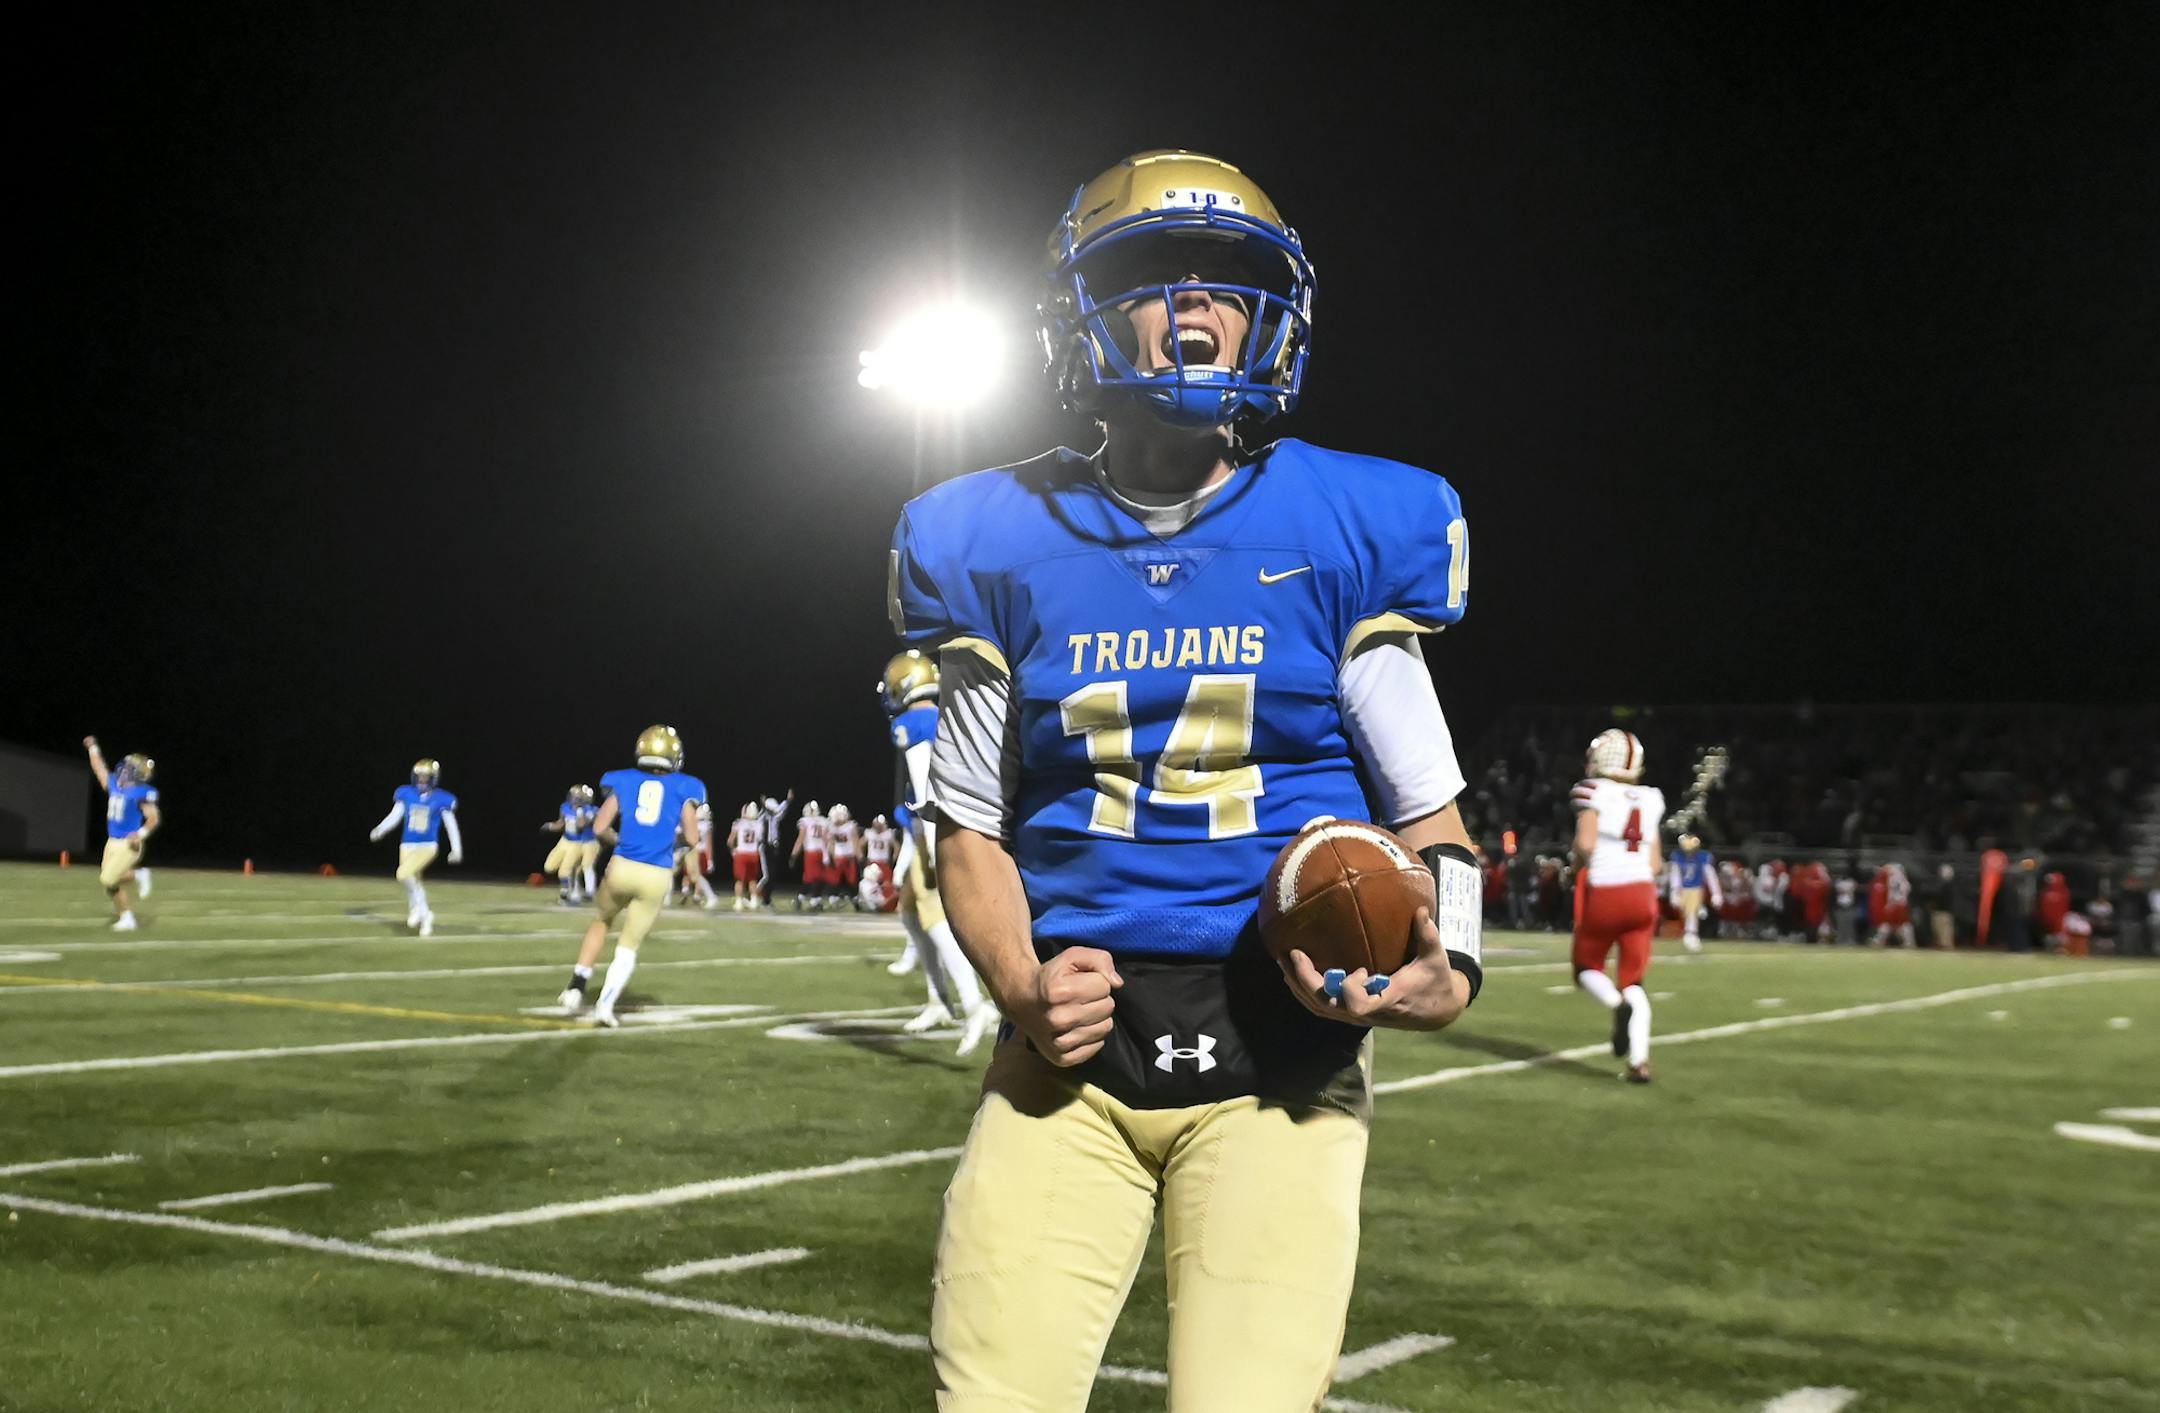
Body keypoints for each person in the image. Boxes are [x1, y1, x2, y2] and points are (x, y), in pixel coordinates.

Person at [889, 150, 1483, 1410]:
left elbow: (1434, 817)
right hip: (1072, 1053)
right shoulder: (990, 536)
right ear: (1083, 312)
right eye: (1161, 275)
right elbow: (970, 826)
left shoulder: (1345, 522)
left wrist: (1457, 960)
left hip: (1285, 1056)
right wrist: (1017, 986)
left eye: (1233, 283)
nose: (1204, 305)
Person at [879, 648, 998, 1050]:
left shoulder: (913, 723)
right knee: (911, 913)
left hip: (934, 830)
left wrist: (929, 848)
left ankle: (974, 1005)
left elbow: (926, 787)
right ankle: (939, 1001)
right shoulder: (944, 717)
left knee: (936, 922)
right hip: (931, 830)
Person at [555, 725, 705, 1027]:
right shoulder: (686, 785)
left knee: (601, 921)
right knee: (629, 943)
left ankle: (575, 988)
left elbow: (599, 828)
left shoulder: (622, 779)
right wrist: (667, 843)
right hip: (656, 874)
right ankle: (605, 1004)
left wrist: (621, 841)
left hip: (622, 866)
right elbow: (692, 837)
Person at [1571, 730, 1665, 1083]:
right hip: (1643, 893)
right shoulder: (1651, 798)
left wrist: (1576, 867)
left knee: (1587, 967)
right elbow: (1655, 863)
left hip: (1607, 890)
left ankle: (1616, 1006)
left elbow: (1586, 842)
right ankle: (1639, 1062)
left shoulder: (1593, 791)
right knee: (1634, 981)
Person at [368, 759, 461, 937]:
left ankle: (425, 915)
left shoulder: (442, 798)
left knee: (402, 874)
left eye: (426, 777)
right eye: (419, 777)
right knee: (413, 882)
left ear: (433, 778)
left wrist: (456, 849)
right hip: (407, 844)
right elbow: (395, 815)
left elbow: (451, 825)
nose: (422, 780)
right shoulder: (406, 793)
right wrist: (381, 828)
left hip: (427, 846)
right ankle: (416, 910)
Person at [82, 736, 159, 930]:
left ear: (137, 774)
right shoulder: (115, 785)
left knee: (108, 878)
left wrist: (140, 834)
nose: (124, 770)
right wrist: (93, 748)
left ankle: (139, 875)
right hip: (112, 841)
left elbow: (153, 818)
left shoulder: (141, 793)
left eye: (129, 768)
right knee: (110, 884)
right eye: (125, 766)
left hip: (129, 843)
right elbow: (99, 769)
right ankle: (127, 918)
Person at [539, 784, 599, 904]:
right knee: (549, 867)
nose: (573, 799)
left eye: (576, 797)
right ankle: (572, 892)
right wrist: (550, 826)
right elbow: (561, 824)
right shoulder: (565, 807)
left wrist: (580, 811)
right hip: (564, 840)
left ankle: (566, 894)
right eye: (572, 796)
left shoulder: (590, 810)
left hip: (577, 844)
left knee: (566, 870)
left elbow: (581, 825)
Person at [1665, 832, 1720, 952]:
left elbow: (1710, 876)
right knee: (1686, 912)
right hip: (1683, 889)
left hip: (1696, 888)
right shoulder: (1678, 857)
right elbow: (1676, 875)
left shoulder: (1703, 857)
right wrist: (1674, 891)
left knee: (1692, 912)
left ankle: (1691, 934)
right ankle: (1690, 931)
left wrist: (1716, 893)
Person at [788, 800, 831, 910]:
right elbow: (827, 840)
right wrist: (829, 853)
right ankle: (810, 900)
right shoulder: (823, 821)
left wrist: (794, 854)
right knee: (817, 878)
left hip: (811, 852)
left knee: (811, 878)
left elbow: (801, 839)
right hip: (822, 852)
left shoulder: (805, 821)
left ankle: (810, 900)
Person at [727, 802, 764, 910]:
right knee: (752, 879)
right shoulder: (759, 824)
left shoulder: (739, 823)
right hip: (753, 854)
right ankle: (753, 901)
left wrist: (733, 851)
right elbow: (760, 840)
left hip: (741, 854)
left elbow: (730, 841)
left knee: (739, 880)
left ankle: (738, 902)